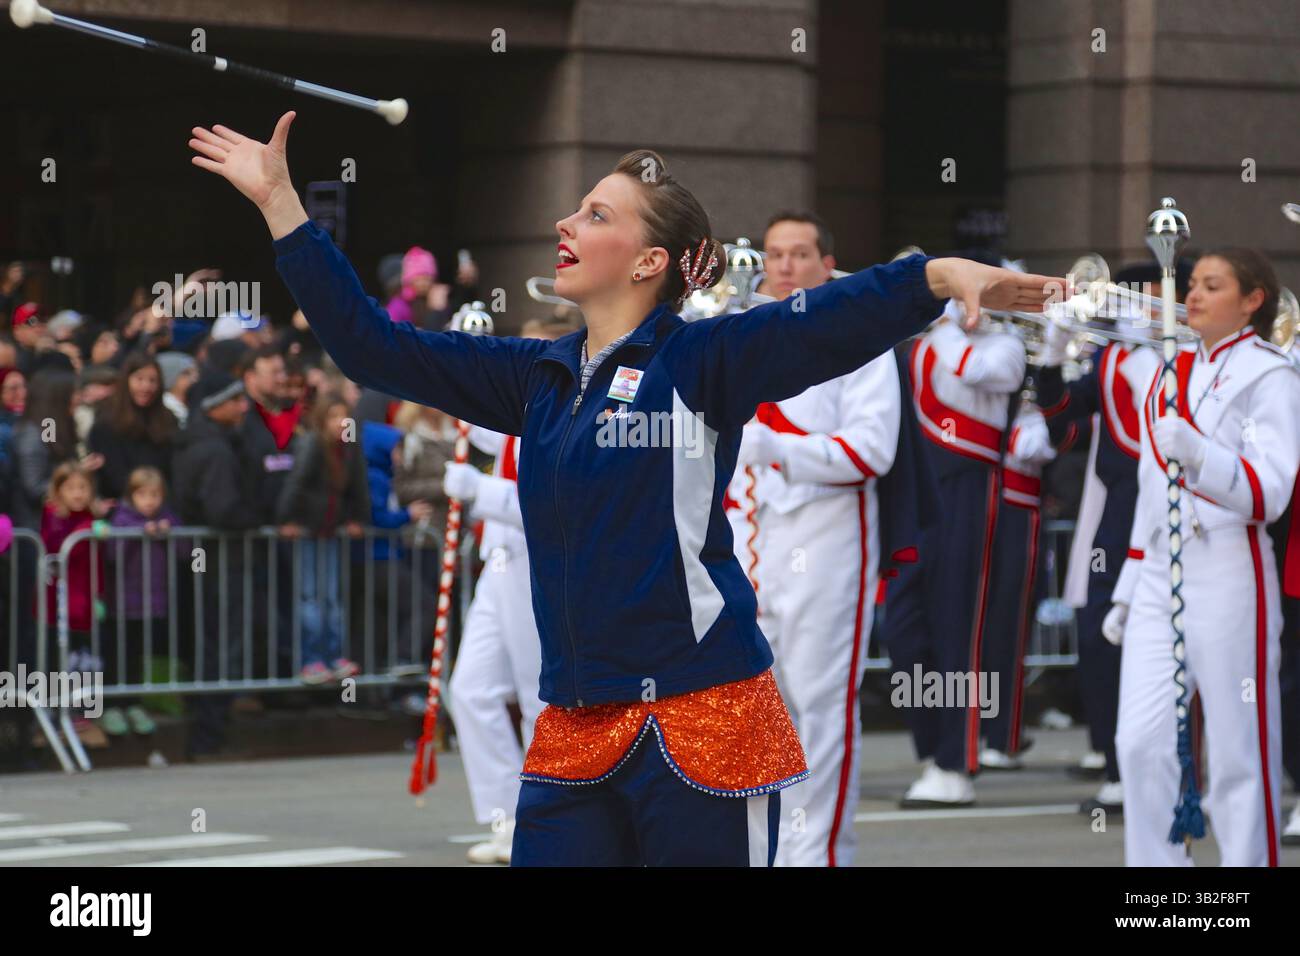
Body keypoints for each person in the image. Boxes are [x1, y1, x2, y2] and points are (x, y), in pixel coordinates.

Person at [188, 111, 1057, 866]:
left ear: (649, 260)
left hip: (701, 716)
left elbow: (823, 323)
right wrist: (281, 207)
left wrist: (937, 275)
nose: (564, 222)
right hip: (573, 724)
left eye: (594, 213)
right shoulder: (535, 375)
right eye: (574, 208)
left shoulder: (703, 358)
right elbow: (374, 348)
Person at [1108, 249, 1300, 867]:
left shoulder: (1271, 374)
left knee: (1239, 748)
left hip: (1229, 566)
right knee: (1138, 742)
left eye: (1211, 286)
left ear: (1252, 300)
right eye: (1190, 284)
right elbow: (1147, 491)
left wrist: (1201, 456)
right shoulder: (1168, 368)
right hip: (1160, 573)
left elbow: (1270, 493)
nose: (1191, 296)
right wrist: (1128, 582)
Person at [732, 211, 903, 867]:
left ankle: (818, 856)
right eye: (775, 254)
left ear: (828, 264)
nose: (783, 266)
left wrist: (778, 447)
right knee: (754, 705)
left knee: (819, 704)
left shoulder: (861, 339)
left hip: (828, 534)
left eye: (800, 254)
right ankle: (760, 852)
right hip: (750, 534)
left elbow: (871, 451)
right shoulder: (743, 333)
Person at [883, 293, 1027, 807]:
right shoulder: (917, 348)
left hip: (968, 488)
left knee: (955, 628)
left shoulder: (1007, 345)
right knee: (901, 628)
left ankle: (956, 760)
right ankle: (932, 744)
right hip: (917, 491)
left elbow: (973, 370)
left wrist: (941, 321)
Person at [446, 315, 577, 865]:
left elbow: (555, 504)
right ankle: (506, 817)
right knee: (470, 690)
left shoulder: (566, 411)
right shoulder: (518, 406)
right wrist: (460, 354)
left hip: (537, 564)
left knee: (533, 695)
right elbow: (475, 423)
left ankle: (549, 820)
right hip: (497, 566)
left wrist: (482, 491)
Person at [1036, 267, 1167, 812]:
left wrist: (1150, 357)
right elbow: (1064, 430)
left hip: (1179, 505)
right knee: (1096, 633)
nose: (1139, 311)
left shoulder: (1189, 356)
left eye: (1150, 300)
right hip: (1119, 511)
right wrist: (1052, 351)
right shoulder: (1111, 356)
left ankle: (1181, 771)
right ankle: (1118, 766)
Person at [171, 366, 260, 758]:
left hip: (206, 556)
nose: (243, 407)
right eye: (235, 400)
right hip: (219, 557)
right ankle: (209, 732)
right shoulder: (214, 450)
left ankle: (209, 729)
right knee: (220, 643)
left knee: (212, 640)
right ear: (214, 407)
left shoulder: (201, 442)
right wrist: (254, 517)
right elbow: (223, 510)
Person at [276, 389, 369, 684]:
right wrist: (286, 519)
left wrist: (358, 519)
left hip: (330, 533)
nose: (341, 422)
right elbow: (297, 483)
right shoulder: (312, 444)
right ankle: (311, 659)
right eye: (334, 416)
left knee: (332, 598)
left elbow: (358, 488)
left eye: (344, 416)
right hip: (308, 531)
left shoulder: (350, 449)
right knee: (310, 598)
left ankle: (334, 655)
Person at [104, 466, 180, 736]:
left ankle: (135, 703)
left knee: (138, 654)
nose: (150, 501)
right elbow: (112, 555)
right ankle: (112, 704)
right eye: (143, 495)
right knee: (118, 654)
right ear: (131, 495)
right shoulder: (121, 519)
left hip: (153, 600)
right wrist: (139, 534)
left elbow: (188, 552)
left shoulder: (168, 518)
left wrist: (169, 531)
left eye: (155, 495)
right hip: (124, 601)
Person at [87, 352, 179, 504]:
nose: (146, 386)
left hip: (163, 505)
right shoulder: (107, 422)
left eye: (152, 380)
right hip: (121, 508)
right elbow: (113, 474)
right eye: (139, 379)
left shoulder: (168, 419)